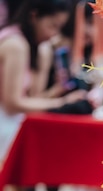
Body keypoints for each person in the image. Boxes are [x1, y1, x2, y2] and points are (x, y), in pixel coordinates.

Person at [0, 0, 88, 163]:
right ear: (34, 16)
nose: (53, 35)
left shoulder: (35, 47)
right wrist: (63, 102)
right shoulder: (15, 45)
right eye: (52, 26)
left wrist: (56, 91)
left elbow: (33, 99)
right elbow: (12, 104)